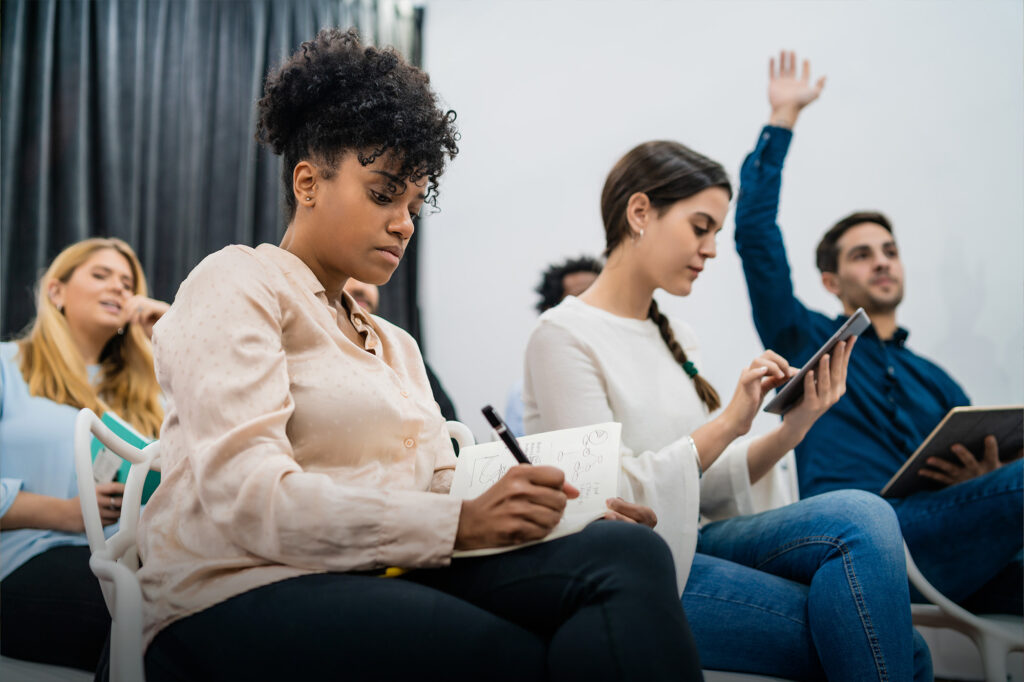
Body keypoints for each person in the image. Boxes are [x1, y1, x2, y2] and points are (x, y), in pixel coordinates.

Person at [136, 28, 700, 681]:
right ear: (308, 182)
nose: (404, 221)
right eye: (384, 193)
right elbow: (247, 499)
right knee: (530, 655)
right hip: (234, 590)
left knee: (625, 552)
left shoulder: (395, 346)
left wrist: (561, 509)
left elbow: (438, 483)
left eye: (414, 203)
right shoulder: (237, 284)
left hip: (386, 567)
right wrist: (460, 522)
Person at [523, 133, 933, 679]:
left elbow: (705, 486)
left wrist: (796, 423)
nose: (711, 249)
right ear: (640, 211)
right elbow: (612, 498)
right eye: (701, 227)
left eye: (716, 232)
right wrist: (729, 423)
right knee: (901, 646)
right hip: (640, 564)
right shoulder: (563, 336)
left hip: (700, 535)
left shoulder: (678, 337)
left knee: (864, 513)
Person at [734, 51, 1023, 616]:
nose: (883, 263)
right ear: (831, 279)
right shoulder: (807, 339)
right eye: (863, 255)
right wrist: (783, 119)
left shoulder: (936, 381)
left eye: (890, 252)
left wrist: (989, 477)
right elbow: (755, 235)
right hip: (864, 540)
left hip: (957, 547)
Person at [0, 237, 167, 671]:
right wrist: (64, 513)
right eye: (101, 275)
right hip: (25, 557)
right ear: (56, 291)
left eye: (127, 283)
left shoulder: (151, 393)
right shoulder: (6, 367)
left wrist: (173, 342)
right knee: (150, 608)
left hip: (130, 558)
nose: (118, 288)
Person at [505, 255, 602, 436]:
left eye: (599, 296)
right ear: (551, 312)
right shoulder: (521, 395)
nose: (594, 307)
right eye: (580, 298)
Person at [343, 278, 458, 421]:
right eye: (347, 276)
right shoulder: (315, 356)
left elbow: (454, 427)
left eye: (368, 279)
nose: (360, 287)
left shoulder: (406, 353)